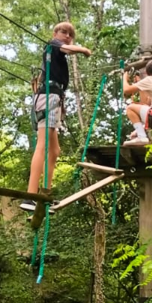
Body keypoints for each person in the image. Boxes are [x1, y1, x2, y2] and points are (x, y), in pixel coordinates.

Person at [20, 22, 92, 212]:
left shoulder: (55, 54)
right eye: (63, 32)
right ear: (55, 33)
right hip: (49, 97)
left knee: (54, 150)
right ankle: (30, 196)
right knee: (43, 145)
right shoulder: (53, 44)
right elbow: (68, 49)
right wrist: (83, 49)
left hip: (53, 98)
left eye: (70, 34)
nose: (67, 36)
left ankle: (44, 194)